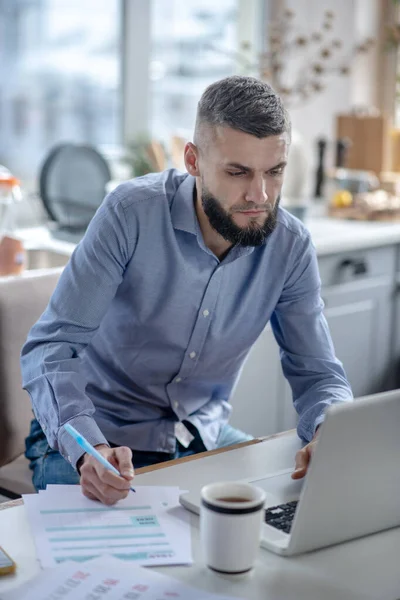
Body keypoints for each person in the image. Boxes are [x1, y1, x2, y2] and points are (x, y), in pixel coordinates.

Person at [21, 75, 352, 506]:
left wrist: (330, 432)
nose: (261, 195)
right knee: (130, 563)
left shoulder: (290, 246)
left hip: (199, 433)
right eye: (238, 172)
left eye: (275, 171)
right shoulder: (130, 215)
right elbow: (51, 348)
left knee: (287, 515)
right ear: (193, 161)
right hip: (96, 439)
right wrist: (90, 450)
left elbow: (318, 373)